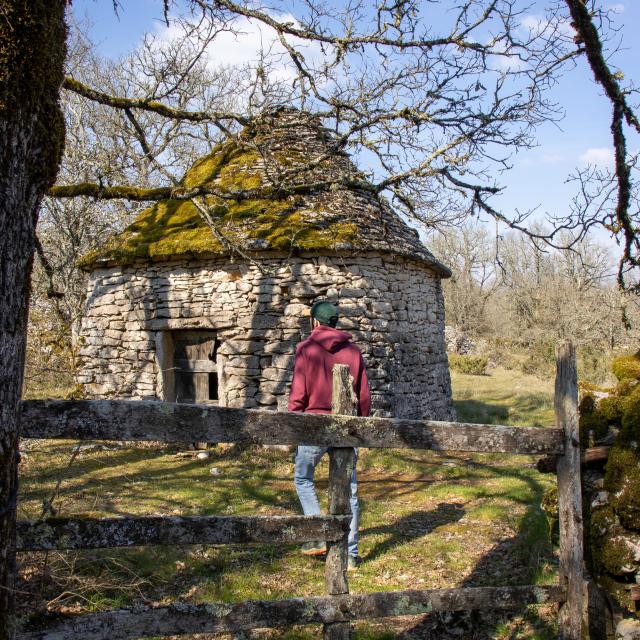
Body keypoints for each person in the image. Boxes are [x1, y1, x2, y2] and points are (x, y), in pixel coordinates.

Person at [288, 299, 371, 569]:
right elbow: (363, 395)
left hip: (314, 424)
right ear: (335, 322)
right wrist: (362, 426)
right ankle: (351, 554)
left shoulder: (306, 349)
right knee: (351, 490)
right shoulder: (354, 352)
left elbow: (299, 392)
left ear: (315, 321)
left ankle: (318, 535)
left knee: (303, 478)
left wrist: (294, 421)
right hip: (346, 426)